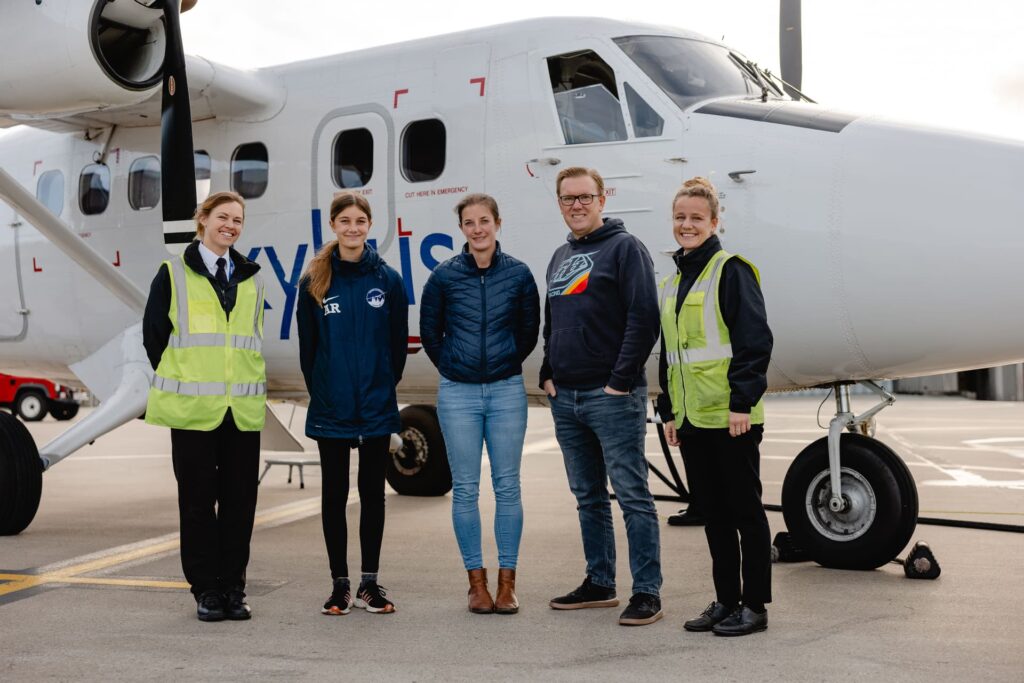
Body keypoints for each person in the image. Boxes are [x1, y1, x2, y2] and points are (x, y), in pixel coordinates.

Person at [540, 167, 664, 626]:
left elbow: (644, 318)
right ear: (559, 203)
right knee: (588, 497)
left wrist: (619, 380)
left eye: (585, 197)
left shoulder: (624, 248)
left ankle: (647, 591)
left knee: (632, 495)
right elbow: (553, 323)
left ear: (602, 199)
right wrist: (547, 374)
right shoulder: (559, 257)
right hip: (566, 397)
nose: (576, 205)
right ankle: (600, 582)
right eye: (568, 198)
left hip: (611, 395)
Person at [657, 177, 774, 637]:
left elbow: (754, 340)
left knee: (746, 513)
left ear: (714, 222)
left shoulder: (730, 270)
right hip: (691, 419)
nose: (687, 225)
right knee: (714, 516)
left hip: (732, 419)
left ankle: (755, 605)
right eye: (680, 217)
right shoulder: (672, 281)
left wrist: (742, 402)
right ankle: (726, 600)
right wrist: (668, 410)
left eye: (696, 218)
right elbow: (670, 354)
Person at [143, 191, 266, 622]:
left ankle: (234, 587)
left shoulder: (251, 277)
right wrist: (190, 380)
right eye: (222, 217)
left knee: (240, 503)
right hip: (195, 411)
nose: (230, 226)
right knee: (197, 504)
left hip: (241, 412)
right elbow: (155, 337)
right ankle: (206, 589)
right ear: (203, 220)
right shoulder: (173, 273)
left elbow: (251, 340)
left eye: (237, 220)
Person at [420, 193, 540, 615]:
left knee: (508, 487)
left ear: (497, 223)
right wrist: (455, 365)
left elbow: (529, 330)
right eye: (469, 223)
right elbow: (430, 332)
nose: (477, 229)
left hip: (506, 389)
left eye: (484, 221)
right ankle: (477, 584)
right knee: (466, 490)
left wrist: (505, 362)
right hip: (458, 393)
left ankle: (508, 583)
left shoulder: (519, 275)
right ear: (462, 230)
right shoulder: (444, 277)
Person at [296, 192, 409, 616]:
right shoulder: (315, 282)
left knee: (373, 496)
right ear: (333, 226)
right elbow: (310, 350)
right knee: (333, 495)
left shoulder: (389, 280)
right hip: (332, 406)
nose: (353, 228)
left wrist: (382, 384)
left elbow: (397, 344)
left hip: (377, 406)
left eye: (360, 220)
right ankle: (339, 584)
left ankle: (370, 584)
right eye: (345, 220)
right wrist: (324, 390)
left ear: (369, 225)